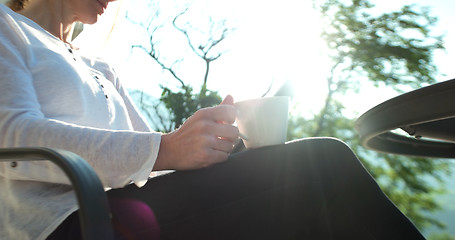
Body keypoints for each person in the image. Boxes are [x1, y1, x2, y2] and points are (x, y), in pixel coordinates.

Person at [0, 0, 426, 239]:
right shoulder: (8, 29)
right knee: (323, 166)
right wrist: (169, 148)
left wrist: (213, 144)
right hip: (70, 226)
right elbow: (11, 134)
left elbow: (148, 154)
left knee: (303, 186)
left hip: (125, 208)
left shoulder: (99, 65)